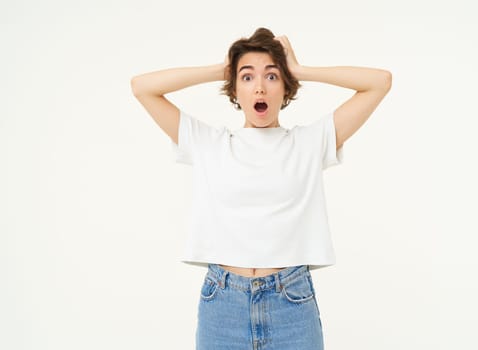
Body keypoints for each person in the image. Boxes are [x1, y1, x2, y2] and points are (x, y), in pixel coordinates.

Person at [131, 28, 391, 350]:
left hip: (291, 304)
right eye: (247, 77)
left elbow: (380, 83)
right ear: (234, 90)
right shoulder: (210, 143)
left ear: (285, 88)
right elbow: (141, 88)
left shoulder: (308, 142)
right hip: (223, 306)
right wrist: (220, 69)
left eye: (271, 77)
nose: (259, 88)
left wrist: (301, 70)